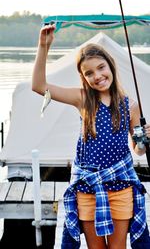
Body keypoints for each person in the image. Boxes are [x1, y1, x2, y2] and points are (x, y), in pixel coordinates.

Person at [32, 23, 150, 249]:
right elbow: (39, 86)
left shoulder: (131, 106)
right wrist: (43, 47)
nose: (97, 76)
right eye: (89, 73)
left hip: (121, 185)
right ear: (83, 78)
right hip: (88, 187)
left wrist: (144, 140)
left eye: (101, 67)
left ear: (111, 66)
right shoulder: (84, 99)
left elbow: (138, 150)